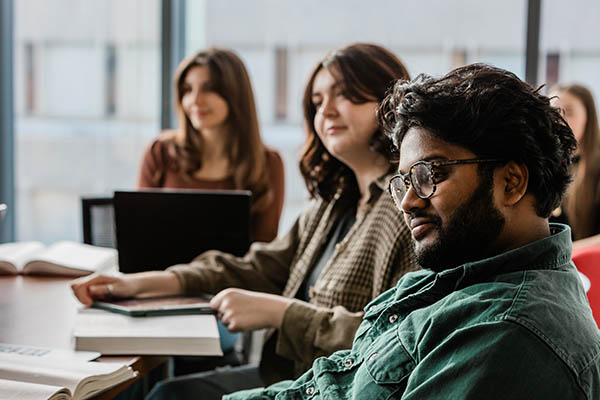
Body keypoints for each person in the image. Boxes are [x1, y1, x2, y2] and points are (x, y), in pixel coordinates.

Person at [226, 64, 600, 400]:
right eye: (404, 181)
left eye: (430, 175)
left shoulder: (508, 336)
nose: (407, 202)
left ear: (512, 182)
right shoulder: (455, 277)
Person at [71, 43, 418, 399]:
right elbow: (260, 267)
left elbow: (397, 338)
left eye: (344, 95)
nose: (326, 110)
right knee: (151, 391)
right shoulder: (332, 202)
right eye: (317, 101)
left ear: (389, 103)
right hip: (289, 375)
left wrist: (282, 314)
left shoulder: (409, 210)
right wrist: (146, 284)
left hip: (332, 388)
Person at [137, 48, 285, 243]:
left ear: (234, 94)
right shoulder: (160, 151)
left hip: (229, 274)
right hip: (158, 271)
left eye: (208, 89)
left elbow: (262, 252)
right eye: (188, 90)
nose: (195, 100)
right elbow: (139, 232)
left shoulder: (267, 162)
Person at [549, 84, 600, 248]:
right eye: (554, 112)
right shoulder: (547, 164)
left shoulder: (596, 167)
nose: (560, 120)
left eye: (569, 112)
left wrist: (566, 252)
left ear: (588, 117)